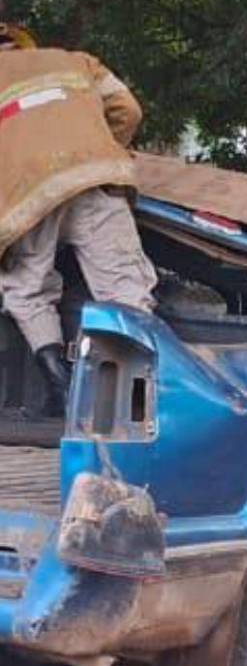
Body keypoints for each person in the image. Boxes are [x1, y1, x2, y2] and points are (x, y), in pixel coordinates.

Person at [0, 23, 157, 416]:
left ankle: (61, 391)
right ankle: (136, 402)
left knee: (27, 289)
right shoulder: (76, 62)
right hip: (95, 178)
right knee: (124, 288)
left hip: (27, 194)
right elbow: (129, 110)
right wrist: (101, 151)